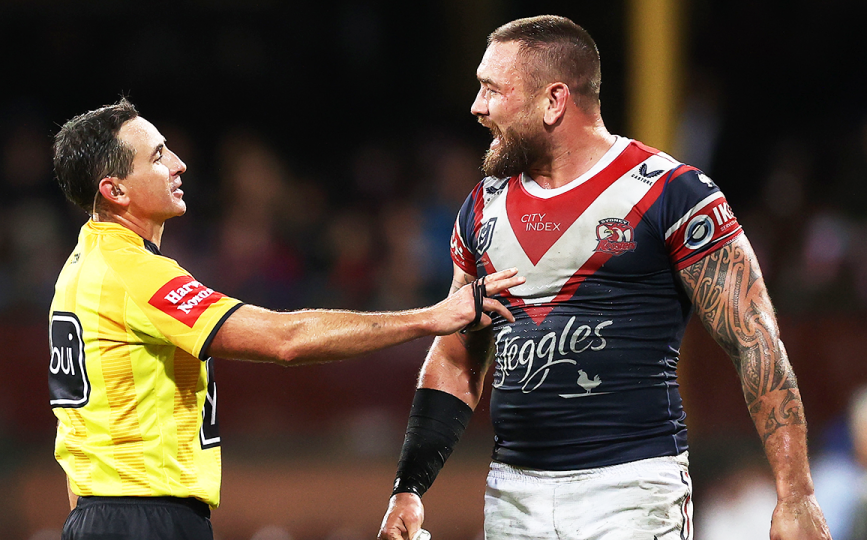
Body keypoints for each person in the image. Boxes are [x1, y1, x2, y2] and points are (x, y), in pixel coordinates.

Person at [377, 15, 831, 540]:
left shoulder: (672, 193)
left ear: (554, 101)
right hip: (510, 495)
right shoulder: (482, 207)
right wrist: (409, 486)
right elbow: (457, 360)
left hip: (632, 493)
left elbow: (755, 341)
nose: (477, 108)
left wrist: (795, 494)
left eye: (491, 90)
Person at [48, 99, 525, 540]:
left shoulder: (80, 268)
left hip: (100, 512)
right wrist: (431, 317)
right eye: (156, 157)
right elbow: (286, 339)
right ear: (113, 190)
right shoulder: (135, 273)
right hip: (143, 518)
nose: (178, 164)